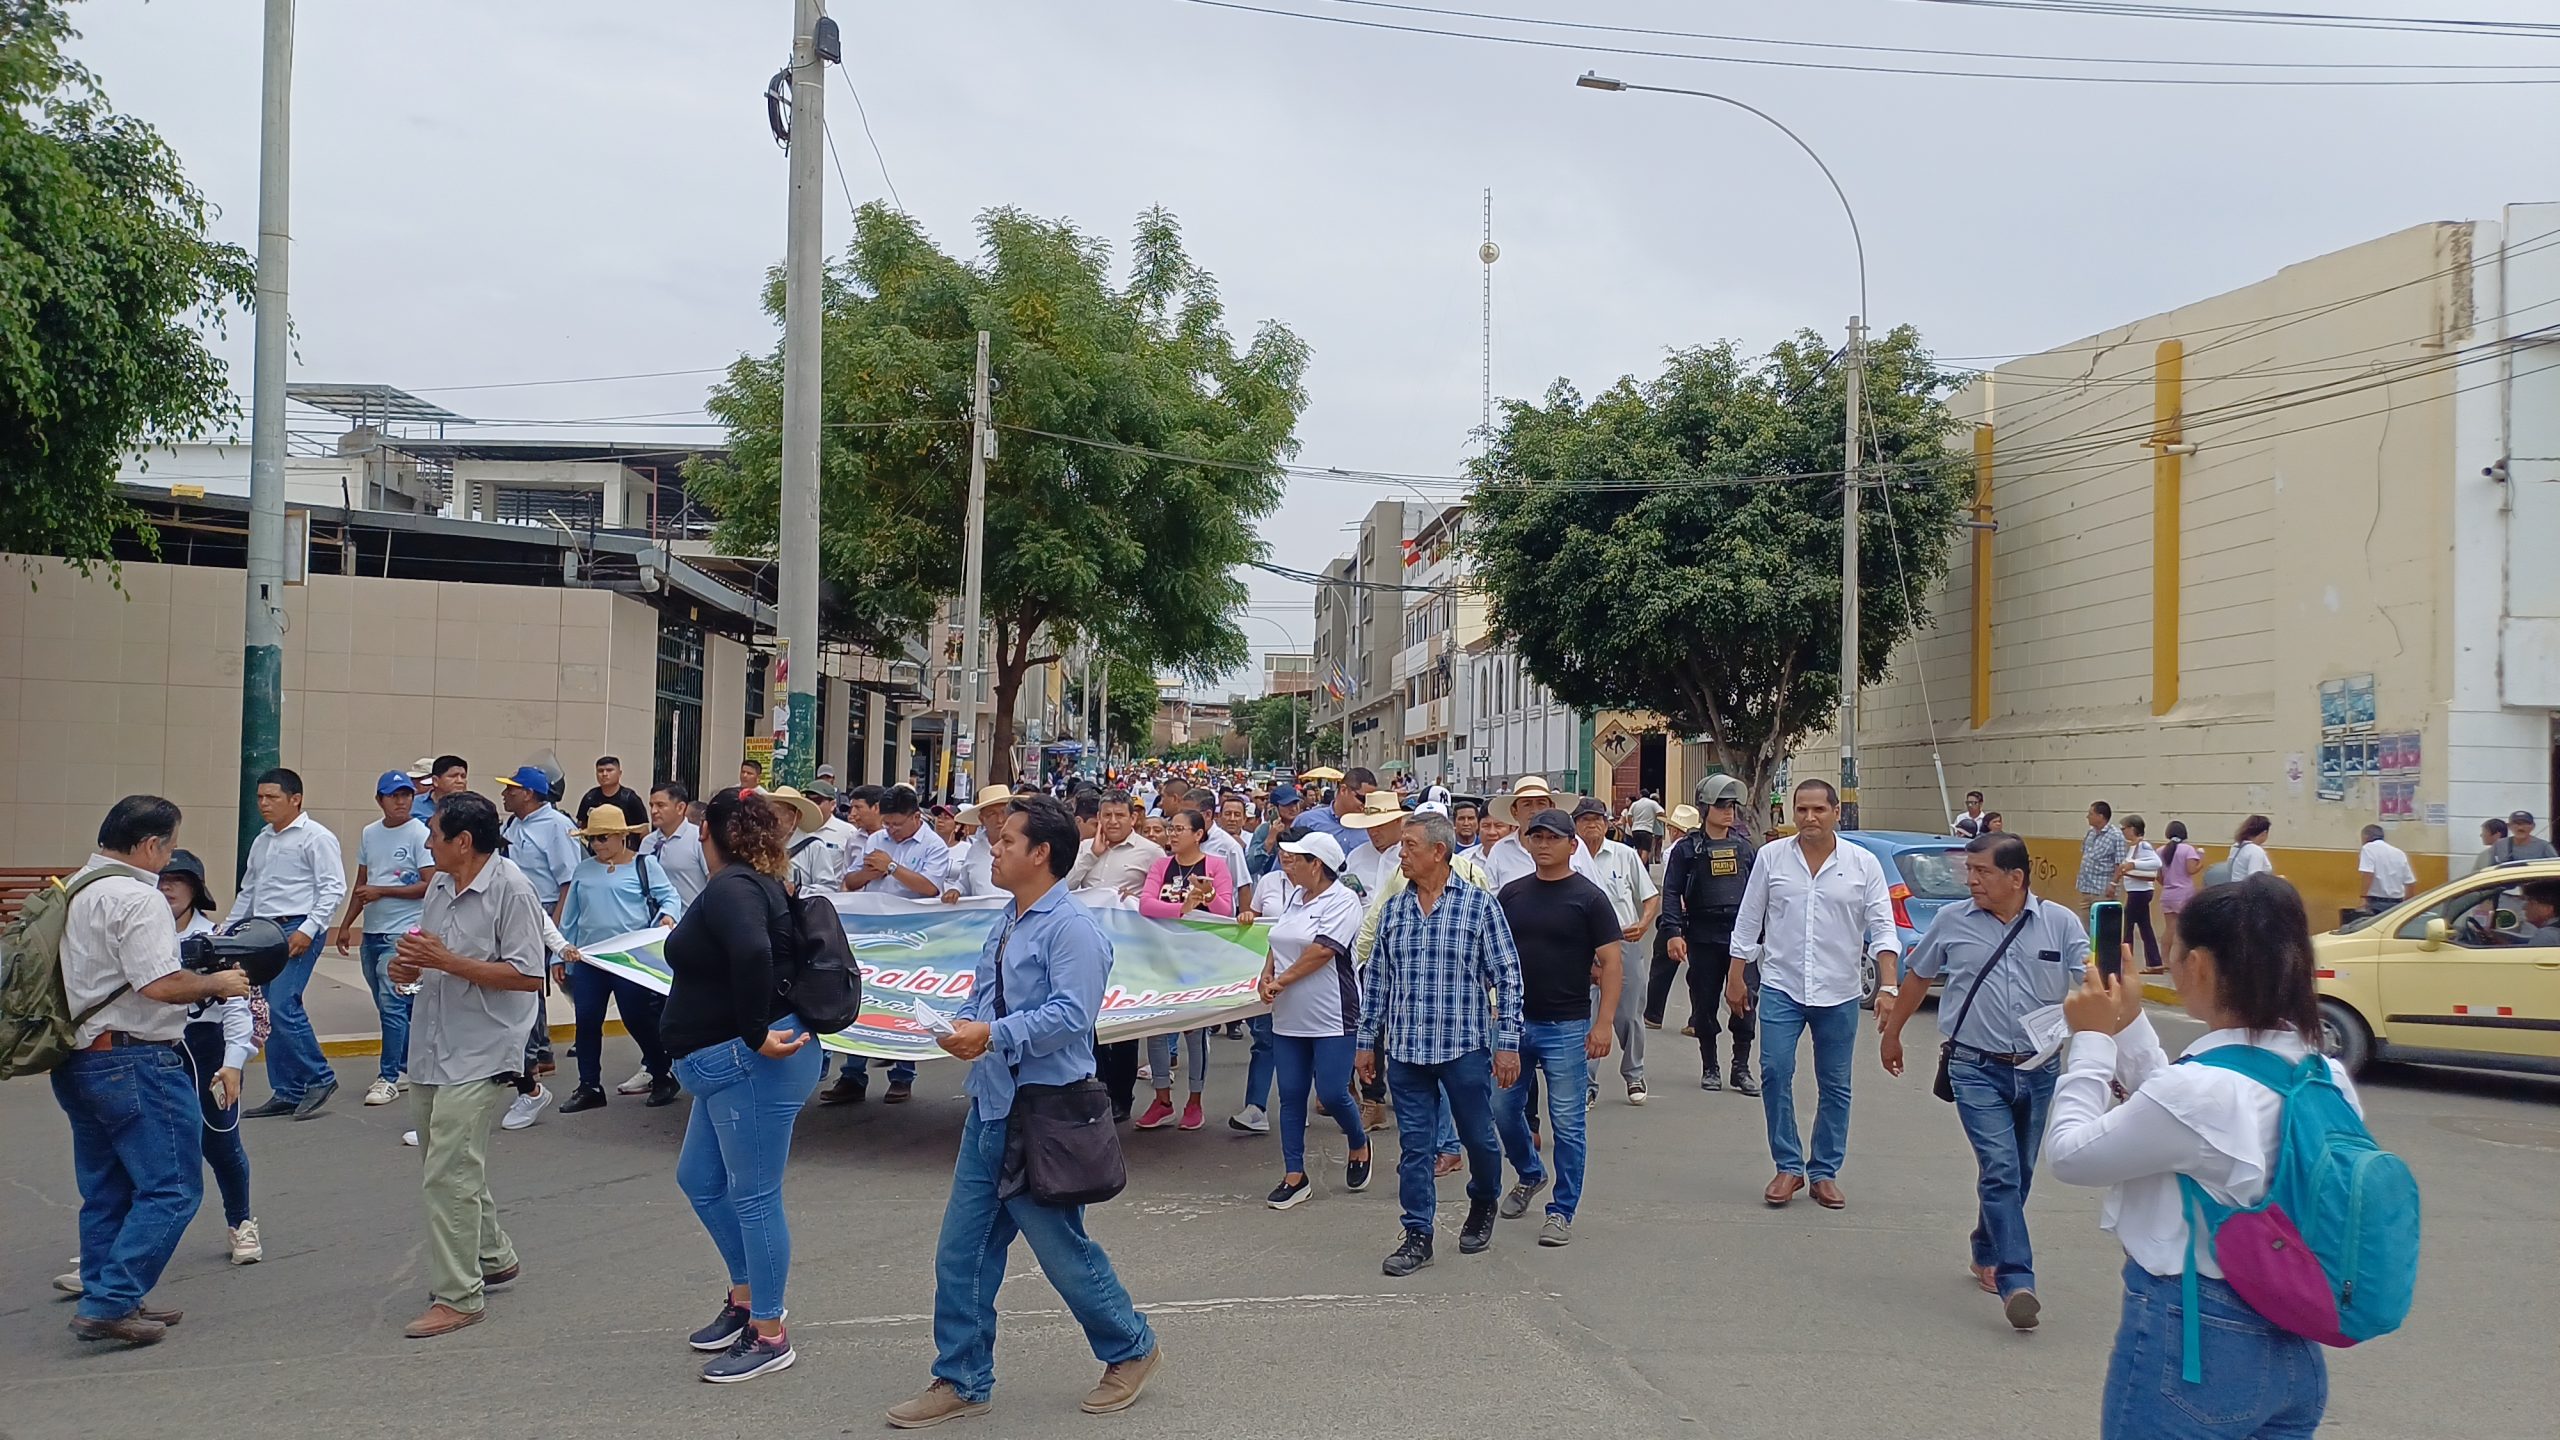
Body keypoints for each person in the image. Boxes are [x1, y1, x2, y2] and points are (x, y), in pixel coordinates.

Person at [2046, 874, 2358, 1438]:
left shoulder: (2199, 1093)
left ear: (2202, 967)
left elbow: (2071, 1155)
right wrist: (2129, 1021)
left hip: (2198, 1337)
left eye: (2174, 950)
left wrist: (2091, 1042)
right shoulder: (2321, 1072)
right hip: (2295, 1339)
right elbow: (2186, 1117)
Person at [885, 796, 1163, 1428]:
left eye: (1008, 839)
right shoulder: (1009, 918)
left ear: (1043, 854)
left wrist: (993, 1036)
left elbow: (1073, 1017)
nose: (996, 847)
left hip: (1045, 1114)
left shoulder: (1073, 929)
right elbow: (989, 999)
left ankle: (1131, 1347)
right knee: (963, 1252)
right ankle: (961, 1378)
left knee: (1063, 1250)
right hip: (991, 1107)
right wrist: (964, 1030)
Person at [50, 799, 255, 1346]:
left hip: (79, 1057)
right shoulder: (137, 898)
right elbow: (159, 985)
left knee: (107, 1190)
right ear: (148, 845)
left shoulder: (75, 888)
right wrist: (218, 984)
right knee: (173, 1188)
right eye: (167, 847)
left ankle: (109, 1292)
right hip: (135, 1058)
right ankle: (112, 1302)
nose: (166, 861)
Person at [1879, 832, 2089, 1331]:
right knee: (2000, 1169)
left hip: (2039, 1070)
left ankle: (1986, 1246)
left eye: (1982, 872)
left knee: (2019, 1174)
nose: (1970, 880)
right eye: (1968, 871)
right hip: (1973, 1066)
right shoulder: (1952, 922)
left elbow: (2094, 985)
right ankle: (2018, 1280)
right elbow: (1919, 976)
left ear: (2016, 878)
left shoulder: (2061, 925)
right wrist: (1893, 1033)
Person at [650, 788, 824, 1383]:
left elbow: (752, 952)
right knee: (699, 1179)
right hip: (735, 1064)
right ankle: (747, 1298)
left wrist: (752, 1034)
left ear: (708, 835)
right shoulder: (755, 884)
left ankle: (769, 1333)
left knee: (753, 1196)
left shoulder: (732, 887)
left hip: (753, 1063)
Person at [390, 790, 548, 1340]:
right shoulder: (439, 883)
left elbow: (530, 975)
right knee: (447, 1158)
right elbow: (428, 955)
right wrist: (407, 968)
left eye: (433, 833)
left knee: (447, 1172)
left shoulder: (513, 890)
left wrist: (447, 962)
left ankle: (459, 1295)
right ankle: (491, 1254)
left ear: (463, 841)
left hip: (484, 1047)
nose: (426, 842)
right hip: (433, 1041)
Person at [1356, 811, 1524, 1278]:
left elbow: (1507, 978)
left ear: (1438, 852)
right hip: (1408, 1051)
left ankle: (1484, 1199)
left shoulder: (1478, 907)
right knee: (1415, 1147)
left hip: (1463, 1048)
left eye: (1409, 845)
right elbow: (1378, 985)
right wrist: (1366, 1041)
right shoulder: (1394, 910)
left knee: (1476, 1137)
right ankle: (1417, 1235)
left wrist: (1507, 1043)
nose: (1401, 854)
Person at [1730, 779, 1898, 1210]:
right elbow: (1749, 920)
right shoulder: (1771, 858)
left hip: (1839, 991)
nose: (1809, 818)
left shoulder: (1862, 864)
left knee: (1836, 1084)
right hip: (1782, 986)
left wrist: (1889, 987)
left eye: (1818, 810)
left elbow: (1883, 928)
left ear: (1835, 812)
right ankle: (1788, 1166)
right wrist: (1736, 976)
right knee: (1774, 1071)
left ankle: (1824, 1171)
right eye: (1801, 810)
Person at [1490, 808, 1619, 1247]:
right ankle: (1530, 1172)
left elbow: (1612, 963)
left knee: (1567, 1123)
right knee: (1503, 1109)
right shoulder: (1511, 894)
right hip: (1513, 1022)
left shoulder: (1589, 898)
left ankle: (1562, 1210)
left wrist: (1603, 1025)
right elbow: (1491, 955)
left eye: (1552, 838)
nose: (1543, 844)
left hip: (1566, 1024)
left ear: (1571, 844)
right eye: (1536, 837)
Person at [1256, 830, 1374, 1209]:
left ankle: (1358, 1141)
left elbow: (1323, 951)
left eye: (1295, 860)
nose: (1288, 866)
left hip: (1331, 1013)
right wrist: (1266, 975)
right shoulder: (1295, 897)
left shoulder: (1343, 901)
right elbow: (1279, 940)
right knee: (1290, 1095)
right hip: (1289, 1015)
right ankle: (1295, 1175)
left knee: (1332, 1091)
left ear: (1316, 864)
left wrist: (1281, 981)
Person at [160, 849, 264, 1266]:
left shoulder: (216, 939)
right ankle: (108, 1250)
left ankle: (241, 1223)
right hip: (154, 1049)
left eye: (178, 879)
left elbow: (238, 1008)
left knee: (221, 1141)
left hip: (207, 1050)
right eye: (162, 877)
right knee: (141, 1149)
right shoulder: (140, 932)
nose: (167, 886)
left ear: (195, 889)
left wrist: (235, 1062)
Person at [229, 767, 346, 1120]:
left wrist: (308, 929)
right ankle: (288, 1090)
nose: (263, 804)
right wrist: (228, 932)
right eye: (260, 797)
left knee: (283, 1005)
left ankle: (319, 1077)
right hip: (261, 931)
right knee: (265, 1010)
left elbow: (332, 887)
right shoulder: (263, 840)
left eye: (272, 797)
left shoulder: (316, 837)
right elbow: (249, 891)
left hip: (297, 928)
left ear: (295, 799)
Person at [552, 808, 683, 1113]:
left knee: (636, 1018)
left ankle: (661, 1071)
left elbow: (670, 897)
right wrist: (558, 954)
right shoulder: (584, 870)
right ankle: (589, 1085)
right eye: (591, 839)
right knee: (586, 1021)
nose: (596, 844)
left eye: (602, 838)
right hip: (590, 957)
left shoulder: (644, 864)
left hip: (628, 957)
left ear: (622, 836)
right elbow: (570, 917)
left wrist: (667, 917)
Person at [822, 785, 945, 1105]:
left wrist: (891, 867)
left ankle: (903, 1075)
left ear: (917, 817)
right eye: (887, 823)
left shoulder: (933, 845)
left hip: (914, 936)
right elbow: (851, 881)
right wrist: (871, 869)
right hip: (871, 930)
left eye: (897, 824)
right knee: (863, 999)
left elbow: (931, 888)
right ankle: (852, 1074)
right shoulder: (875, 840)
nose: (890, 829)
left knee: (907, 1004)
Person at [335, 769, 435, 1107]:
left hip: (403, 931)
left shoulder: (419, 832)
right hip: (374, 930)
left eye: (406, 794)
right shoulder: (370, 834)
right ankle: (408, 1066)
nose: (402, 801)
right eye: (394, 795)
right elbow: (363, 884)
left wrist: (384, 891)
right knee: (388, 1004)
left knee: (392, 1004)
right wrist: (348, 922)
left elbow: (428, 884)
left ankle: (389, 1076)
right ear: (380, 800)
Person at [1065, 789, 1165, 1123]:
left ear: (1132, 818)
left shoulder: (1150, 852)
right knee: (1087, 1022)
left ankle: (1122, 1096)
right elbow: (1063, 887)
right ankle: (1097, 1089)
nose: (1112, 822)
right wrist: (1091, 855)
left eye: (1119, 815)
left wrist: (1136, 898)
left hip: (1129, 951)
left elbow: (1162, 893)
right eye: (1106, 815)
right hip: (1085, 950)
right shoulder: (1083, 849)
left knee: (1123, 1026)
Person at [1134, 810, 1236, 1131]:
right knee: (1156, 1028)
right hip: (1161, 957)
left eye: (1180, 829)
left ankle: (1195, 1100)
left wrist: (1206, 894)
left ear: (1198, 834)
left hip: (1199, 961)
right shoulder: (1161, 866)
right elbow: (1146, 904)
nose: (1172, 835)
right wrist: (1182, 907)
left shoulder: (1215, 866)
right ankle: (1162, 1100)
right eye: (1170, 829)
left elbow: (1226, 911)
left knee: (1195, 1030)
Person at [498, 764, 580, 1129]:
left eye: (511, 789)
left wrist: (556, 926)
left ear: (529, 793)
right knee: (528, 983)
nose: (505, 794)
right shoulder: (512, 825)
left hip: (543, 909)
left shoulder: (556, 826)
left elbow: (568, 880)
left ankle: (530, 1055)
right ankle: (541, 1050)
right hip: (515, 908)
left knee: (528, 982)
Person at [1673, 781, 1760, 1094]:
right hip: (1703, 935)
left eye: (1732, 807)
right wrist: (1673, 932)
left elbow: (1758, 893)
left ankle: (1741, 1067)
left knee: (1746, 1001)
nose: (1728, 812)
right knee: (1704, 1002)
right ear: (1705, 808)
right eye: (1722, 806)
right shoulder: (1688, 849)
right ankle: (1710, 1066)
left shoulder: (1744, 848)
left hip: (1741, 937)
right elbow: (1671, 892)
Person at [1573, 796, 1658, 1105]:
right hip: (1581, 947)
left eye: (1597, 819)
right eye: (1584, 819)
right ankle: (1587, 1083)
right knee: (1587, 1014)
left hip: (1623, 942)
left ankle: (1634, 1074)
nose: (1591, 824)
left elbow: (1650, 896)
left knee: (1629, 1014)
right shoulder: (1569, 857)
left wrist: (1645, 922)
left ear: (1608, 824)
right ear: (1575, 825)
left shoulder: (1625, 855)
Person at [1482, 776, 1598, 890]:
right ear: (1514, 811)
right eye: (1527, 804)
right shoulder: (1500, 851)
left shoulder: (1572, 844)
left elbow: (1594, 891)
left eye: (1541, 803)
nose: (1535, 810)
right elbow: (1490, 898)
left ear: (1552, 807)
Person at [1645, 802, 1698, 1030]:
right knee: (1698, 970)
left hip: (1677, 913)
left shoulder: (1673, 851)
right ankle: (1697, 1019)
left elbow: (1671, 887)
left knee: (1661, 966)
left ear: (1675, 830)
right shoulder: (1702, 847)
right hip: (1698, 915)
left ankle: (1653, 1015)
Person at [941, 783, 1016, 900]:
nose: (1000, 819)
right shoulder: (975, 850)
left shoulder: (1024, 846)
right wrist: (956, 890)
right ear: (982, 819)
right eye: (992, 814)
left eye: (1004, 812)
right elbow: (964, 882)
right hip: (984, 916)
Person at [641, 781, 711, 906]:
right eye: (651, 805)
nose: (653, 811)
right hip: (656, 920)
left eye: (660, 805)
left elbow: (712, 879)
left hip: (689, 919)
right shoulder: (648, 842)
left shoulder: (698, 838)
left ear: (680, 808)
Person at [2114, 816, 2164, 972]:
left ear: (2132, 829)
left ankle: (2126, 963)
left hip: (2140, 892)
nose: (2123, 832)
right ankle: (2154, 962)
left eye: (2124, 829)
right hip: (2137, 891)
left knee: (2128, 926)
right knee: (2144, 926)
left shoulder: (2143, 846)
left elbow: (2157, 863)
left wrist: (2134, 864)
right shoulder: (2134, 847)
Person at [1339, 790, 1408, 897]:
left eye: (1380, 825)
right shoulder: (1355, 856)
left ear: (1397, 821)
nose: (1373, 832)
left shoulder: (1411, 858)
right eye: (1369, 826)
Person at [2156, 820, 2203, 970]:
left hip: (2167, 893)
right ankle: (2179, 960)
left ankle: (2164, 959)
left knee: (2169, 928)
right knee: (2182, 929)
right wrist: (2201, 861)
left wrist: (2168, 883)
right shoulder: (2187, 849)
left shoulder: (2160, 851)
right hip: (2184, 894)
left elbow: (2158, 875)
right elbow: (2191, 870)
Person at [1294, 766, 1375, 847]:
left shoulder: (1372, 828)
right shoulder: (1307, 821)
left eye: (1371, 800)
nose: (1366, 805)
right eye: (1363, 799)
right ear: (1343, 790)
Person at [2077, 800, 2127, 918]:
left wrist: (2113, 884)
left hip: (2103, 890)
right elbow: (2085, 854)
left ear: (2100, 816)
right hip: (2086, 887)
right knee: (2085, 924)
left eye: (2090, 814)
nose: (2087, 817)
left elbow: (2120, 863)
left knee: (2102, 925)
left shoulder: (2116, 835)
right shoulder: (2091, 833)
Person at [1248, 783, 1306, 879]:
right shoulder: (1264, 830)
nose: (1293, 808)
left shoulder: (1304, 826)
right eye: (1287, 804)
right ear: (1274, 807)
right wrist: (1270, 840)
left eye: (1295, 803)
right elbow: (1251, 866)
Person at [2356, 823, 2417, 913]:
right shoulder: (2399, 853)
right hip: (2397, 903)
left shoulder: (2368, 848)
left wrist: (2363, 898)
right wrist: (2407, 904)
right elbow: (2410, 882)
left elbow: (2368, 874)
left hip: (2376, 903)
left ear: (2366, 836)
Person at [573, 755, 645, 829]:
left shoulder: (630, 798)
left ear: (619, 773)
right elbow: (581, 826)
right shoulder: (590, 798)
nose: (604, 774)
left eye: (609, 770)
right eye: (600, 771)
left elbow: (643, 829)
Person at [2228, 815, 2275, 881]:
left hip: (2234, 887)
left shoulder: (2236, 846)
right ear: (2264, 833)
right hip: (2246, 890)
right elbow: (2254, 879)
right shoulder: (2255, 850)